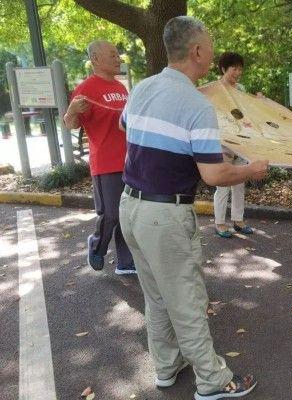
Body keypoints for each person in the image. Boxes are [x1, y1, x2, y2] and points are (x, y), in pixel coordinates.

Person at [118, 16, 267, 399]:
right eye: (211, 46)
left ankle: (166, 367)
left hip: (130, 207)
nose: (214, 52)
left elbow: (125, 127)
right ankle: (213, 381)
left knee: (155, 296)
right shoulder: (196, 105)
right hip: (164, 215)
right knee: (186, 299)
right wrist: (251, 169)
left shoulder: (142, 88)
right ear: (198, 51)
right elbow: (215, 174)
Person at [64, 40, 135, 275]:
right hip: (105, 162)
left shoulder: (122, 88)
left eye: (118, 55)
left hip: (129, 161)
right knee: (112, 214)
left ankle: (126, 263)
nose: (118, 59)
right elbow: (71, 124)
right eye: (113, 55)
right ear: (95, 59)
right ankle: (96, 246)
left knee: (127, 213)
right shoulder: (85, 89)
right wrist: (73, 110)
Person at [212, 52, 254, 238]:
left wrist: (258, 101)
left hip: (241, 142)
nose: (237, 72)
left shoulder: (241, 89)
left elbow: (247, 113)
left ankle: (238, 220)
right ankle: (220, 223)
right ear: (223, 69)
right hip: (222, 144)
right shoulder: (214, 90)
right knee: (222, 185)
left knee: (239, 184)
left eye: (240, 68)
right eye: (233, 68)